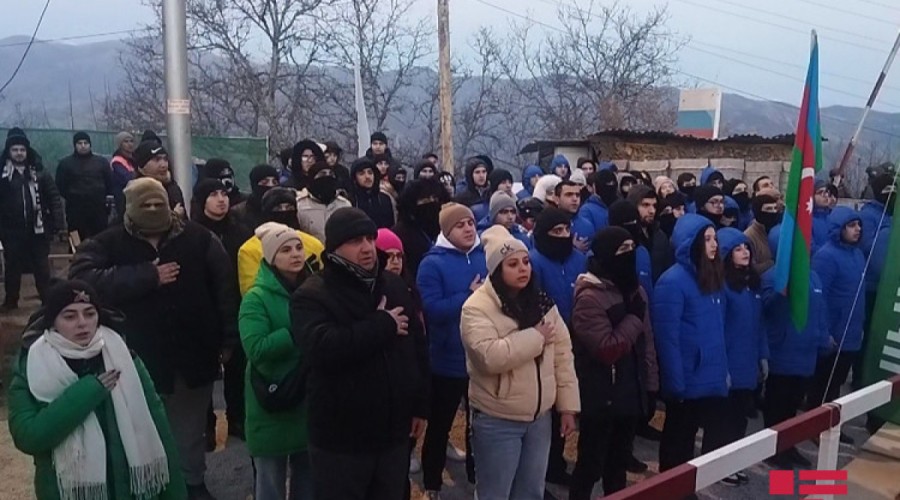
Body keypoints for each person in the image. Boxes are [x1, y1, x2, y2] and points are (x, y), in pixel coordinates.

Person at [69, 177, 240, 499]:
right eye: (144, 205)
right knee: (140, 429)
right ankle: (151, 487)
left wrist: (228, 339)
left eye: (157, 203)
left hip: (195, 353)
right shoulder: (107, 243)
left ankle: (192, 484)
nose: (151, 210)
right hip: (135, 357)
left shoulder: (200, 239)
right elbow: (81, 281)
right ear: (129, 208)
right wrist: (146, 276)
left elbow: (225, 290)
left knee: (189, 429)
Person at [291, 208, 429, 500]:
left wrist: (418, 405)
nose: (367, 248)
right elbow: (321, 348)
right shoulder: (312, 294)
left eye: (369, 238)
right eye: (355, 241)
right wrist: (381, 325)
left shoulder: (391, 284)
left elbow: (415, 347)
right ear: (335, 247)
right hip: (341, 439)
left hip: (392, 433)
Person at [8, 279, 187, 500]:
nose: (82, 323)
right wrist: (89, 390)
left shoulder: (123, 357)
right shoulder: (32, 367)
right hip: (65, 492)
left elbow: (158, 426)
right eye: (70, 316)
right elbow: (29, 436)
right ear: (53, 322)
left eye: (90, 313)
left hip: (130, 488)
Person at [460, 225, 579, 500]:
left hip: (539, 417)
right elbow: (490, 357)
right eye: (512, 264)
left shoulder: (541, 301)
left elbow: (562, 353)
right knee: (495, 493)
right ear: (497, 269)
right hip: (498, 418)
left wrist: (568, 406)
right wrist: (535, 337)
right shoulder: (476, 308)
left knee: (530, 493)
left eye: (525, 262)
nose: (523, 269)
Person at [570, 227, 658, 499]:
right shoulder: (589, 297)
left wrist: (651, 383)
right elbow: (607, 349)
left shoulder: (634, 290)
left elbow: (647, 341)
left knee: (617, 467)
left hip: (630, 392)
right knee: (590, 466)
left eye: (632, 248)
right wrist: (632, 319)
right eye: (622, 250)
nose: (629, 254)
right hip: (601, 396)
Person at [416, 203, 487, 497]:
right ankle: (432, 481)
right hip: (446, 359)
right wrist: (467, 296)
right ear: (446, 231)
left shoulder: (485, 257)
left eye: (471, 223)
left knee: (479, 425)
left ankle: (475, 475)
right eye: (460, 225)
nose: (469, 228)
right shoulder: (432, 263)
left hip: (481, 358)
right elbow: (432, 310)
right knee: (440, 425)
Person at [240, 223, 314, 500]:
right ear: (271, 258)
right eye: (285, 250)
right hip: (272, 399)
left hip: (307, 395)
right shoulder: (255, 298)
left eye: (298, 247)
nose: (295, 254)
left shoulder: (313, 289)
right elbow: (256, 348)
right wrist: (297, 330)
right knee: (270, 482)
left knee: (308, 481)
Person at [652, 214, 729, 471]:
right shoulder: (672, 282)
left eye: (715, 238)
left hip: (705, 374)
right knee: (677, 438)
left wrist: (722, 370)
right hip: (686, 377)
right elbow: (668, 338)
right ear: (690, 242)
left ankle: (684, 488)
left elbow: (716, 331)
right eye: (707, 239)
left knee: (689, 444)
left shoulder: (711, 276)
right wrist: (675, 383)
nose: (714, 244)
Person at [528, 207, 586, 484]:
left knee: (567, 404)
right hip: (546, 342)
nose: (563, 236)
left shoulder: (578, 259)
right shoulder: (534, 261)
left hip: (576, 340)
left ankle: (557, 463)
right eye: (556, 232)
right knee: (547, 414)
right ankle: (545, 470)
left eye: (566, 230)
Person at [192, 179, 253, 443]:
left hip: (236, 304)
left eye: (224, 194)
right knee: (204, 369)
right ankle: (206, 423)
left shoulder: (241, 231)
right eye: (214, 195)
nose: (221, 199)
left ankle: (237, 417)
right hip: (203, 307)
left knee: (237, 367)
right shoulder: (192, 233)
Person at [761, 237, 829, 469]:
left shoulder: (814, 276)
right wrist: (782, 292)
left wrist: (822, 337)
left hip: (805, 355)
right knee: (777, 407)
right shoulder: (772, 277)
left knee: (792, 406)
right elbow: (767, 311)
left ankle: (789, 446)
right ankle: (773, 449)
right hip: (782, 354)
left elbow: (820, 310)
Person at [808, 207, 866, 444]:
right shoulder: (826, 256)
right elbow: (819, 297)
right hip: (833, 334)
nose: (857, 230)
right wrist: (825, 332)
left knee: (836, 386)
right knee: (822, 386)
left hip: (851, 331)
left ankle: (831, 427)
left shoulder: (858, 254)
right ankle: (813, 429)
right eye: (851, 225)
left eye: (858, 225)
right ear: (839, 228)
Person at [716, 228, 767, 486]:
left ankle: (734, 462)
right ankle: (720, 467)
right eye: (738, 249)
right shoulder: (723, 288)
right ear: (727, 255)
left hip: (748, 363)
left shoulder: (751, 285)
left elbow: (759, 326)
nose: (745, 252)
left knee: (740, 419)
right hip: (730, 365)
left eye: (746, 247)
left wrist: (763, 356)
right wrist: (721, 367)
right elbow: (718, 330)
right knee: (725, 420)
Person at [0, 130, 64, 310]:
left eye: (22, 149)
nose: (19, 153)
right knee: (12, 267)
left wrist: (58, 224)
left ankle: (47, 300)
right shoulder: (3, 176)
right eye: (15, 150)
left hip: (39, 229)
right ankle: (11, 301)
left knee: (42, 268)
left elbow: (54, 198)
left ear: (27, 151)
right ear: (9, 152)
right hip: (11, 231)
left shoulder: (40, 173)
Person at [237, 187, 325, 295]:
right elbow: (250, 291)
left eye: (289, 207)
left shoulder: (313, 243)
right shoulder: (249, 250)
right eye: (278, 208)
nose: (284, 212)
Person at [56, 131, 113, 240]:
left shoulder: (101, 162)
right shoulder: (65, 164)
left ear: (90, 144)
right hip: (75, 210)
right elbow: (60, 185)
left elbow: (109, 182)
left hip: (98, 209)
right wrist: (73, 196)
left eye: (86, 143)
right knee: (76, 239)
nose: (83, 146)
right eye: (79, 143)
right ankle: (75, 255)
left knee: (99, 239)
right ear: (75, 145)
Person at [392, 178, 446, 278]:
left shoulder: (444, 228)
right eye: (425, 199)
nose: (432, 202)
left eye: (434, 198)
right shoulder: (400, 233)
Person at [296, 161, 352, 244]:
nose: (328, 177)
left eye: (331, 174)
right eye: (322, 174)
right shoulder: (300, 206)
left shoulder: (344, 205)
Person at [627, 185, 675, 283]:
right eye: (645, 205)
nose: (652, 211)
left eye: (654, 206)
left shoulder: (660, 236)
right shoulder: (627, 237)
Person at [133, 140, 185, 214]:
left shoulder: (173, 188)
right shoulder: (134, 191)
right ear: (142, 166)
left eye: (165, 159)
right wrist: (174, 217)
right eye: (157, 160)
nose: (163, 165)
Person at [573, 169, 618, 244]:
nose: (609, 187)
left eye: (612, 183)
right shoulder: (586, 210)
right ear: (595, 187)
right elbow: (586, 239)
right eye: (606, 184)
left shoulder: (620, 206)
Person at [230, 164, 280, 231]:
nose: (270, 186)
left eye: (275, 182)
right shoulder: (239, 213)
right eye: (264, 183)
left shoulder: (282, 209)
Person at [350, 157, 396, 229]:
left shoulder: (385, 199)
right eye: (361, 173)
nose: (367, 177)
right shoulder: (351, 201)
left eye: (370, 173)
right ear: (355, 178)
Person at [744, 192, 782, 275]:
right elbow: (751, 268)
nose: (773, 212)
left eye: (775, 208)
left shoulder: (782, 231)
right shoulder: (749, 236)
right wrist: (775, 263)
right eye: (768, 209)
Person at [455, 157, 492, 222]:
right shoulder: (462, 198)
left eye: (484, 172)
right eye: (477, 172)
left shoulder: (491, 194)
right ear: (470, 175)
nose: (481, 175)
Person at [110, 132, 136, 216]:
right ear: (120, 145)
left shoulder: (133, 159)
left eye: (131, 141)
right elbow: (127, 178)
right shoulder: (117, 161)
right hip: (123, 199)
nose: (129, 144)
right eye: (126, 141)